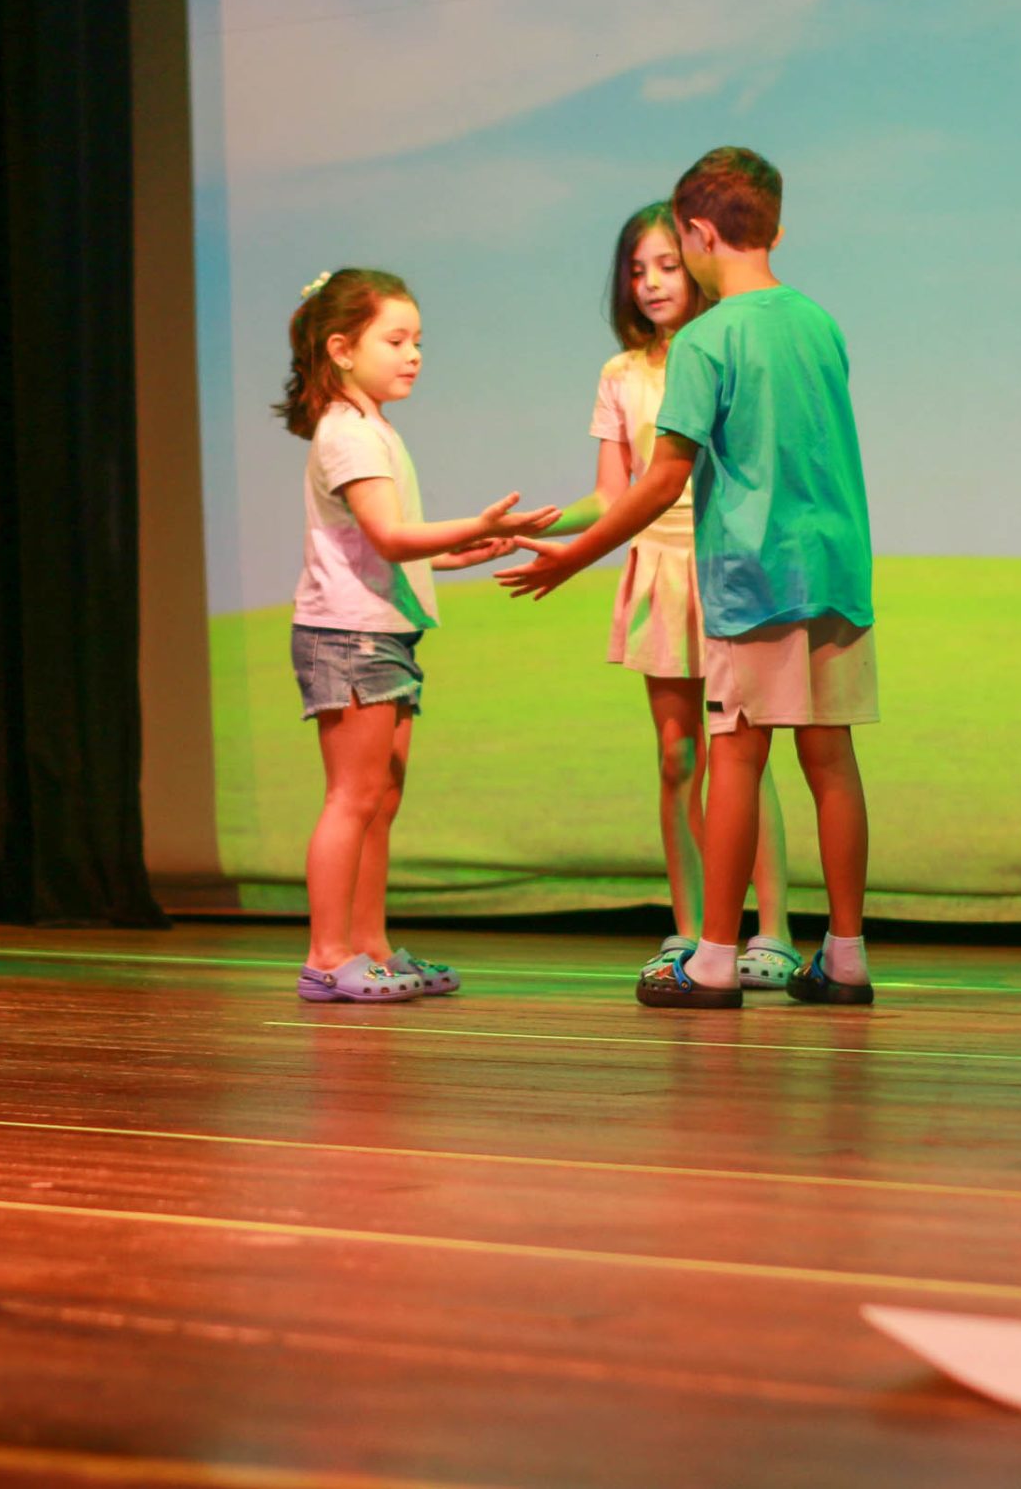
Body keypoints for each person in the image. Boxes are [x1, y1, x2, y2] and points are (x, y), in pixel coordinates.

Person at [504, 148, 875, 1011]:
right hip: (836, 573)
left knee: (736, 754)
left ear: (700, 235)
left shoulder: (708, 339)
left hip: (752, 577)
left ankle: (712, 958)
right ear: (775, 226)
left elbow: (663, 476)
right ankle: (846, 954)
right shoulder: (820, 322)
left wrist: (576, 554)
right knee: (832, 758)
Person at [279, 268, 558, 1003]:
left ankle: (368, 946)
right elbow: (390, 534)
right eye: (396, 340)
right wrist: (477, 524)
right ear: (341, 349)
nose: (414, 355)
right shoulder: (348, 432)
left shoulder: (370, 425)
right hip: (349, 636)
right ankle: (327, 956)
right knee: (352, 797)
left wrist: (459, 551)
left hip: (381, 632)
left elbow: (382, 544)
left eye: (418, 341)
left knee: (380, 799)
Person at [546, 202, 795, 984]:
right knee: (676, 753)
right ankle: (689, 930)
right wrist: (538, 525)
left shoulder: (722, 343)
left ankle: (773, 930)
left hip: (724, 564)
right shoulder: (620, 374)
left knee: (742, 750)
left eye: (665, 264)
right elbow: (610, 493)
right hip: (656, 568)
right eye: (636, 269)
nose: (652, 282)